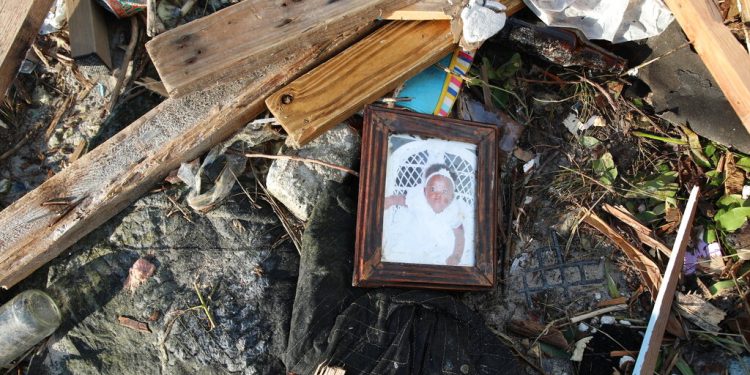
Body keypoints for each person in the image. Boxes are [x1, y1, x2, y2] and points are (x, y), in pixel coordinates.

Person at [382, 164, 471, 266]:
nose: (438, 194)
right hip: (417, 234)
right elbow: (404, 200)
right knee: (403, 250)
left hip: (439, 240)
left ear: (451, 197)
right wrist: (391, 200)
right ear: (425, 191)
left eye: (444, 191)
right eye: (433, 189)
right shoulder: (419, 200)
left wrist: (456, 255)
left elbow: (460, 235)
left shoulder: (453, 212)